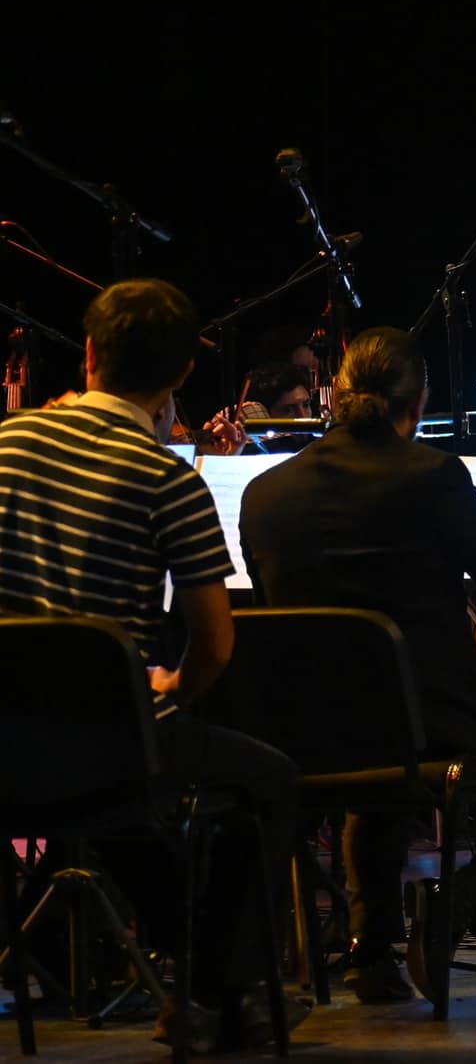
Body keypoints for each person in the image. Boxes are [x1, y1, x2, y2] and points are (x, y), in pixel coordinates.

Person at [238, 326, 476, 1009]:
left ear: (336, 398)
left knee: (375, 770)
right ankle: (453, 917)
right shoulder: (431, 477)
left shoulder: (264, 494)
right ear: (419, 402)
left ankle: (372, 955)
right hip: (429, 718)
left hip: (306, 730)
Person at [0, 279, 302, 1051]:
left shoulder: (5, 447)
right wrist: (172, 689)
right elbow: (215, 643)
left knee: (121, 809)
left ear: (90, 355)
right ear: (179, 380)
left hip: (9, 738)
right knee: (262, 780)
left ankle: (204, 995)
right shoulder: (166, 479)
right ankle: (216, 992)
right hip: (109, 741)